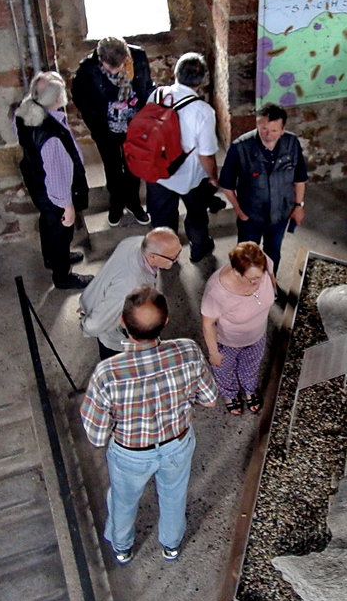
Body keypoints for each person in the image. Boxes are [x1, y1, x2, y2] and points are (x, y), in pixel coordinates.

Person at [80, 286, 219, 564]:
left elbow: (96, 435)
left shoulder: (108, 373)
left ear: (122, 321)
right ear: (166, 321)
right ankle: (171, 545)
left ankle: (122, 547)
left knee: (123, 501)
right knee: (174, 496)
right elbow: (209, 399)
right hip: (177, 444)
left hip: (130, 454)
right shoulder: (188, 351)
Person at [15, 71, 93, 290]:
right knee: (61, 232)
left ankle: (52, 258)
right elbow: (57, 177)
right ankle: (63, 276)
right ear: (57, 98)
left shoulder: (26, 112)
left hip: (38, 184)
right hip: (52, 193)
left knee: (48, 224)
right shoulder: (51, 134)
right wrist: (67, 206)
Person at [145, 53, 222, 264]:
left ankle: (166, 255)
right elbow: (206, 154)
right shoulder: (203, 111)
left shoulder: (157, 95)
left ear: (176, 73)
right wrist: (213, 177)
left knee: (161, 219)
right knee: (196, 215)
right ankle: (199, 249)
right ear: (202, 80)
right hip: (190, 176)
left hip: (158, 172)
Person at [72, 36, 154, 227]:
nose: (115, 71)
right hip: (105, 128)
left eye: (119, 65)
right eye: (110, 68)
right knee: (113, 167)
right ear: (100, 59)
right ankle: (116, 204)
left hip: (134, 124)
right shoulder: (87, 69)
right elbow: (81, 99)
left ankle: (133, 202)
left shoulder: (138, 57)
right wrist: (95, 122)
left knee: (133, 166)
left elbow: (146, 85)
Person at [219, 104, 307, 274]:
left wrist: (298, 205)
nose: (268, 135)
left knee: (273, 253)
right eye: (264, 129)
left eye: (274, 130)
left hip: (280, 215)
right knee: (245, 257)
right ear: (257, 124)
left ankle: (269, 283)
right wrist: (239, 211)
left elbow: (300, 178)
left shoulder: (292, 144)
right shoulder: (240, 147)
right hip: (250, 216)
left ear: (283, 130)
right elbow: (227, 184)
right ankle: (244, 284)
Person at [79, 227, 183, 360]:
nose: (178, 259)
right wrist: (85, 323)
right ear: (153, 257)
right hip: (117, 343)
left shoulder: (134, 242)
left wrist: (90, 301)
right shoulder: (130, 287)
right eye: (172, 258)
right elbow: (95, 325)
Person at [201, 242, 276, 416]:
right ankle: (230, 394)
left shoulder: (263, 263)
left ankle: (250, 389)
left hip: (257, 334)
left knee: (251, 366)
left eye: (261, 276)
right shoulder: (217, 292)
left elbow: (271, 275)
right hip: (228, 341)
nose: (259, 282)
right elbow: (208, 324)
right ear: (236, 272)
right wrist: (213, 353)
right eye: (253, 279)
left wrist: (272, 286)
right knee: (225, 371)